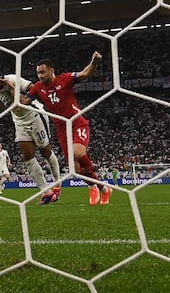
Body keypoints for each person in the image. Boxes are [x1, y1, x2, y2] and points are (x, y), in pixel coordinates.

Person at [24, 52, 112, 205]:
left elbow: (84, 74)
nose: (40, 76)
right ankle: (101, 188)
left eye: (43, 72)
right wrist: (9, 90)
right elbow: (25, 101)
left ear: (52, 70)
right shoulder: (38, 88)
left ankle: (94, 188)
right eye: (38, 73)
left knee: (78, 153)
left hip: (77, 122)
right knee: (76, 170)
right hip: (62, 129)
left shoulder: (65, 79)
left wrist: (94, 62)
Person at [0, 68, 62, 203]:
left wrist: (13, 90)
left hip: (35, 115)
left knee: (45, 152)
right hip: (19, 121)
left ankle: (57, 184)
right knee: (27, 157)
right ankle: (47, 192)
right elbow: (2, 102)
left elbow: (34, 89)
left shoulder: (13, 80)